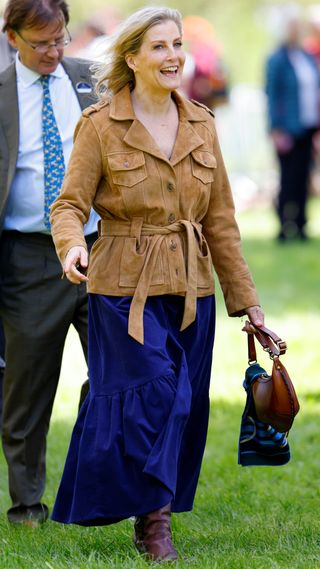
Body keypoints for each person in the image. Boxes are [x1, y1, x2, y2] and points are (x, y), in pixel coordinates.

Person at [50, 6, 264, 562]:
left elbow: (220, 221)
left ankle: (149, 510)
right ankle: (155, 526)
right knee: (158, 397)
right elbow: (69, 204)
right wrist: (73, 244)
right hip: (122, 287)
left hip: (192, 289)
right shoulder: (99, 125)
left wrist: (247, 302)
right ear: (132, 57)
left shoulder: (202, 123)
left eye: (177, 44)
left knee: (183, 404)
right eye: (159, 47)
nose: (173, 56)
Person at [0, 0, 98, 527]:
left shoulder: (93, 81)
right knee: (28, 392)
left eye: (60, 39)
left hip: (97, 248)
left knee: (118, 375)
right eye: (41, 43)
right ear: (12, 36)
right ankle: (27, 507)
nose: (53, 52)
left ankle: (95, 489)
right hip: (29, 260)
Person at [265, 9, 320, 241]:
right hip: (288, 128)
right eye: (292, 26)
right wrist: (276, 129)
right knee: (288, 178)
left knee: (304, 177)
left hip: (308, 126)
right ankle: (284, 225)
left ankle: (301, 224)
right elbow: (272, 95)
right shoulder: (276, 59)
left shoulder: (307, 56)